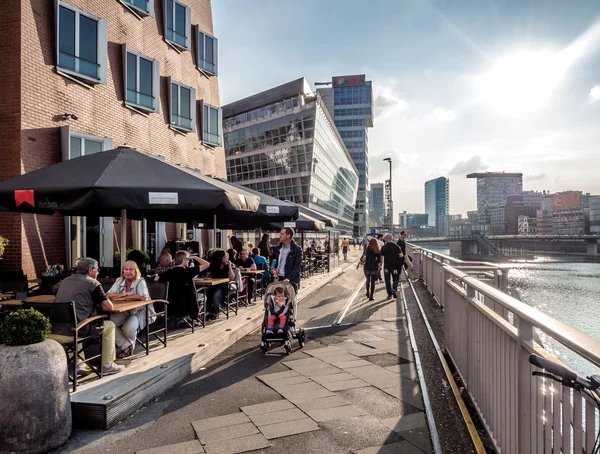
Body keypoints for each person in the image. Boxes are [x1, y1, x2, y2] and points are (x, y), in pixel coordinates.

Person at [53, 257, 124, 375]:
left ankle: (79, 364)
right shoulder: (92, 283)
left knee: (76, 321)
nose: (98, 272)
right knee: (110, 325)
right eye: (97, 270)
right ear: (90, 270)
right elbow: (109, 307)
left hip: (55, 329)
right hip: (75, 331)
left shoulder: (65, 280)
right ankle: (107, 365)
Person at [106, 261, 154, 359]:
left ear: (136, 271)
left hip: (140, 310)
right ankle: (127, 346)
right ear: (123, 271)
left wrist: (124, 298)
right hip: (124, 310)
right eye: (126, 269)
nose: (128, 272)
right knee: (107, 324)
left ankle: (128, 347)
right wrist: (123, 295)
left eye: (131, 269)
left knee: (128, 328)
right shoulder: (119, 280)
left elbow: (142, 298)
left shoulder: (140, 281)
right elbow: (108, 295)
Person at [157, 251, 210, 324]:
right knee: (203, 296)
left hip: (170, 305)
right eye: (188, 259)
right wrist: (195, 257)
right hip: (187, 306)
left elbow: (156, 279)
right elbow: (207, 264)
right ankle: (190, 318)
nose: (189, 261)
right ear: (183, 260)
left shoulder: (167, 272)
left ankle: (182, 319)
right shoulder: (189, 271)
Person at [205, 250, 234, 319]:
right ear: (220, 258)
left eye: (227, 257)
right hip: (214, 284)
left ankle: (216, 312)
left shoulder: (227, 266)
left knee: (216, 296)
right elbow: (207, 276)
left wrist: (230, 266)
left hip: (224, 285)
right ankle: (209, 311)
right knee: (207, 293)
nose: (227, 259)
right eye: (225, 257)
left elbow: (231, 278)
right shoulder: (213, 265)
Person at [272, 227, 303, 292]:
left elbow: (297, 266)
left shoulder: (297, 249)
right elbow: (274, 261)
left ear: (288, 236)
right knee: (278, 301)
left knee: (290, 301)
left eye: (282, 234)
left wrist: (288, 278)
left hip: (290, 281)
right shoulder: (277, 248)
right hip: (278, 279)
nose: (279, 235)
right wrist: (273, 269)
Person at [380, 233, 403, 299]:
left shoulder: (384, 247)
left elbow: (381, 257)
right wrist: (400, 263)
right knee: (396, 279)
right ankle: (394, 289)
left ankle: (389, 294)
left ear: (385, 239)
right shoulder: (396, 246)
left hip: (387, 266)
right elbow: (401, 255)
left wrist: (380, 265)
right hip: (395, 266)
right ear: (392, 238)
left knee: (387, 280)